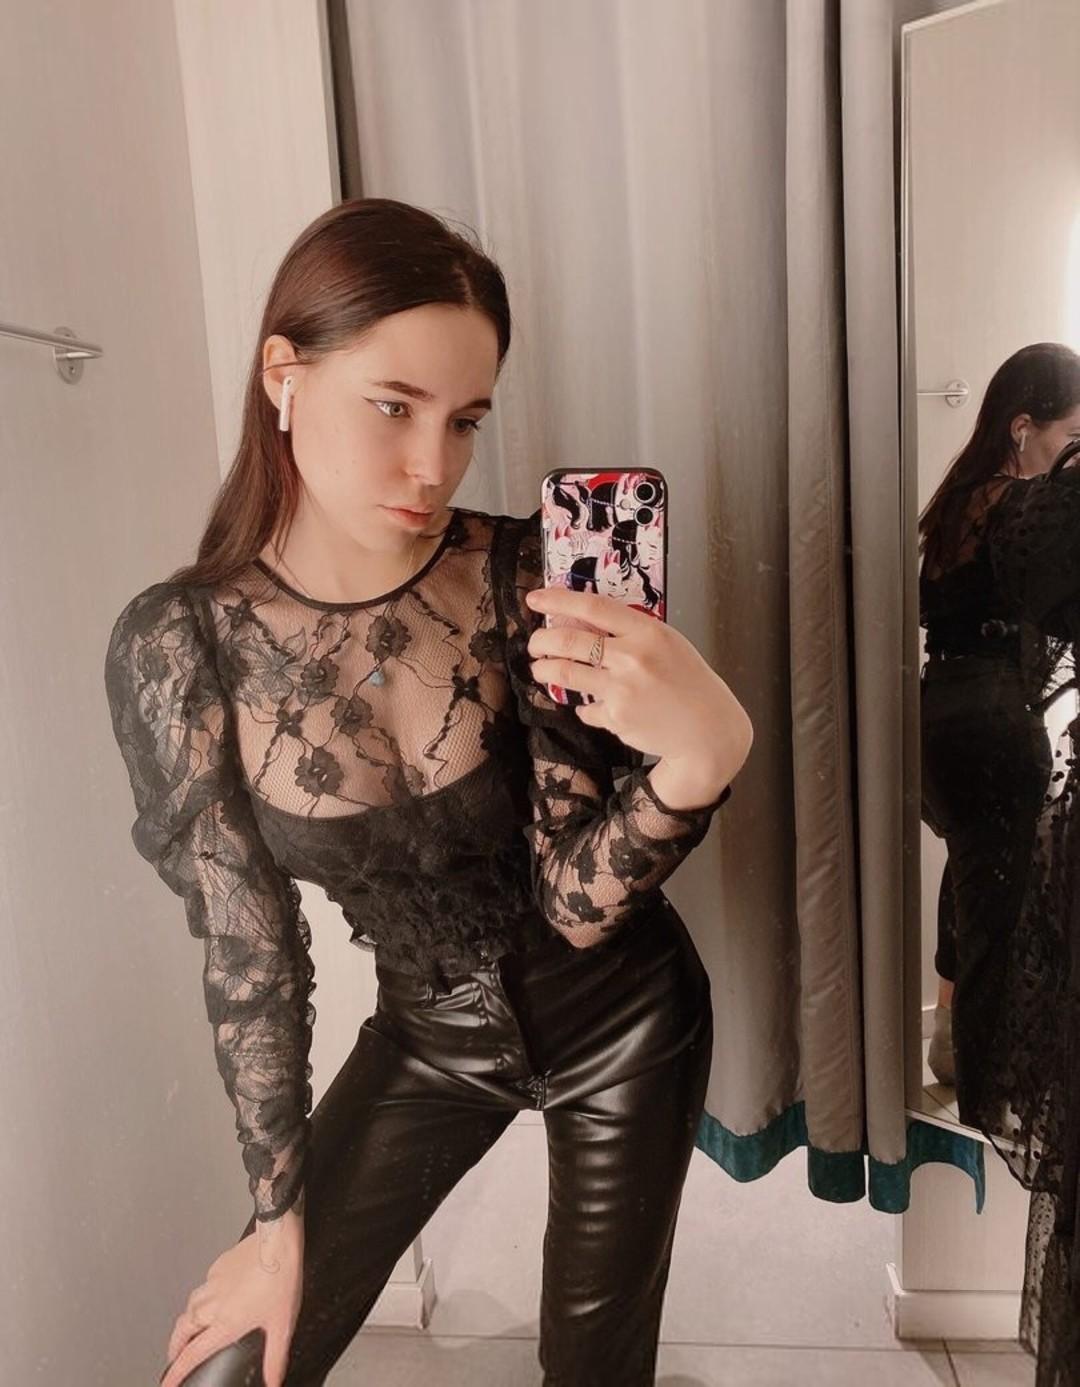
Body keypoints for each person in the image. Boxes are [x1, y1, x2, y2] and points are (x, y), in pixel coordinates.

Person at [102, 197, 752, 1387]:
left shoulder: (521, 572)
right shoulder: (181, 646)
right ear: (284, 376)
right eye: (394, 406)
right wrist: (277, 1220)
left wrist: (702, 756)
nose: (433, 466)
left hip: (626, 1017)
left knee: (594, 1372)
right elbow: (252, 954)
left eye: (465, 421)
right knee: (232, 1368)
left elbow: (572, 904)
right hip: (427, 1040)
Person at [917, 343, 1080, 1126]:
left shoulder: (959, 501)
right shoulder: (1017, 507)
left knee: (975, 878)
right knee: (1001, 922)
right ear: (1024, 428)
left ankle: (952, 1049)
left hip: (939, 716)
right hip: (990, 727)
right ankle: (986, 1108)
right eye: (1071, 435)